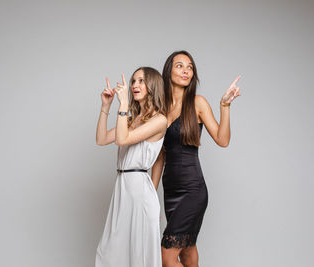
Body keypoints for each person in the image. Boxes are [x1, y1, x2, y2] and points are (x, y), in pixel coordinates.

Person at [151, 50, 241, 267]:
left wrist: (225, 106)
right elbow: (159, 158)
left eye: (190, 67)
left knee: (167, 256)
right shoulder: (160, 109)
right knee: (188, 253)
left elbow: (222, 139)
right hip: (170, 191)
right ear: (168, 70)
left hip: (193, 190)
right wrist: (151, 197)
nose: (186, 70)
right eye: (180, 65)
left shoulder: (197, 103)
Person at [95, 67, 167, 267]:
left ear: (153, 85)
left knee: (139, 255)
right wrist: (106, 106)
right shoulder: (131, 119)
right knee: (110, 252)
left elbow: (122, 139)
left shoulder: (160, 120)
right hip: (122, 187)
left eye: (141, 81)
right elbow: (101, 139)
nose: (135, 85)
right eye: (134, 81)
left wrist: (124, 105)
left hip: (139, 191)